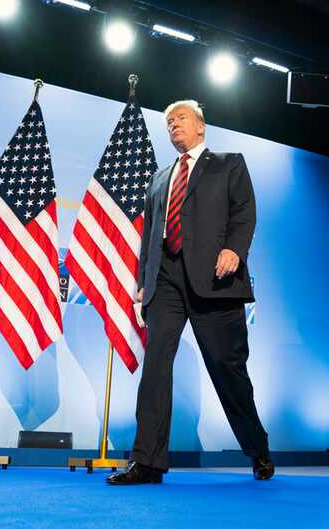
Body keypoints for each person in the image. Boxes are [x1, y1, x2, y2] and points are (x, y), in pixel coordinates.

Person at [107, 100, 273, 485]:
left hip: (214, 279)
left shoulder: (230, 162)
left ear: (201, 126)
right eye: (168, 121)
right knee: (156, 364)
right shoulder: (159, 177)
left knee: (227, 369)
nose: (173, 125)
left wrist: (234, 249)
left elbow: (244, 211)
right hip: (165, 278)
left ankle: (257, 447)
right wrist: (142, 279)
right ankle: (147, 462)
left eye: (180, 118)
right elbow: (150, 234)